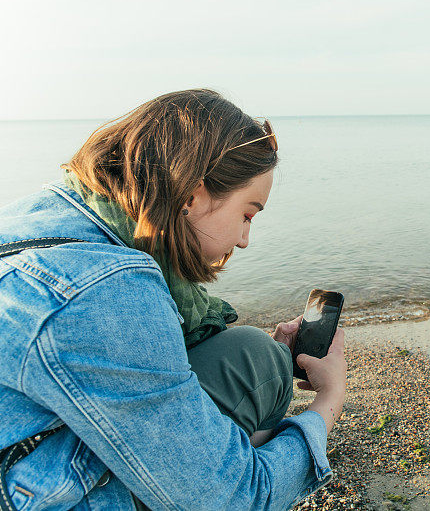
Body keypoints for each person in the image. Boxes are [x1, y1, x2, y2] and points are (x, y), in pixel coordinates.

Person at [0, 89, 347, 510]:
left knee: (258, 354)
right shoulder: (110, 293)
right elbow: (236, 498)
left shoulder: (48, 212)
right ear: (191, 195)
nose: (244, 240)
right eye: (247, 215)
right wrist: (329, 403)